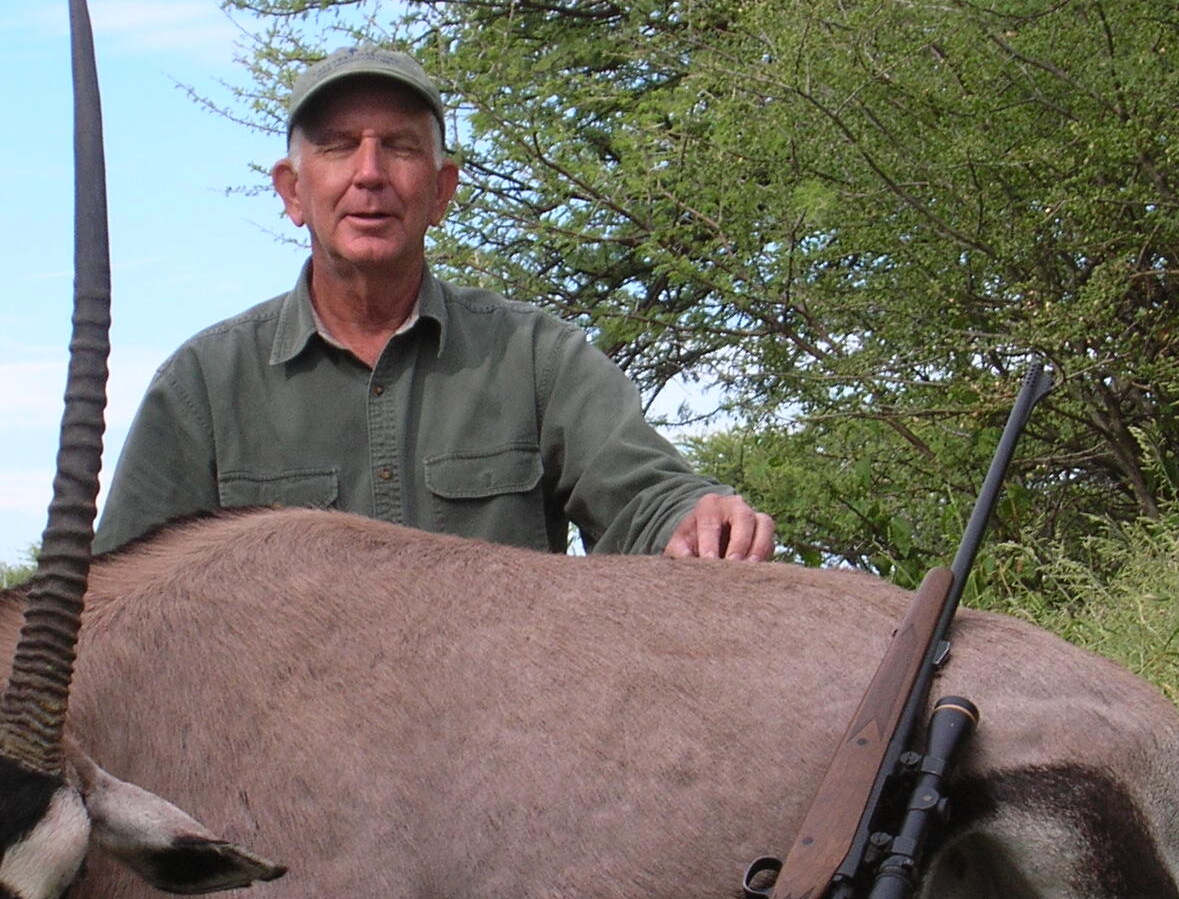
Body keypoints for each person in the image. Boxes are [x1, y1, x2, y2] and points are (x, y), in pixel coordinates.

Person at [93, 46, 775, 560]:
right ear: (292, 192)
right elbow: (120, 600)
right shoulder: (202, 387)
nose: (369, 174)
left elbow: (647, 500)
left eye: (399, 148)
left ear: (443, 190)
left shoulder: (537, 356)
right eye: (338, 148)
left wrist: (700, 516)